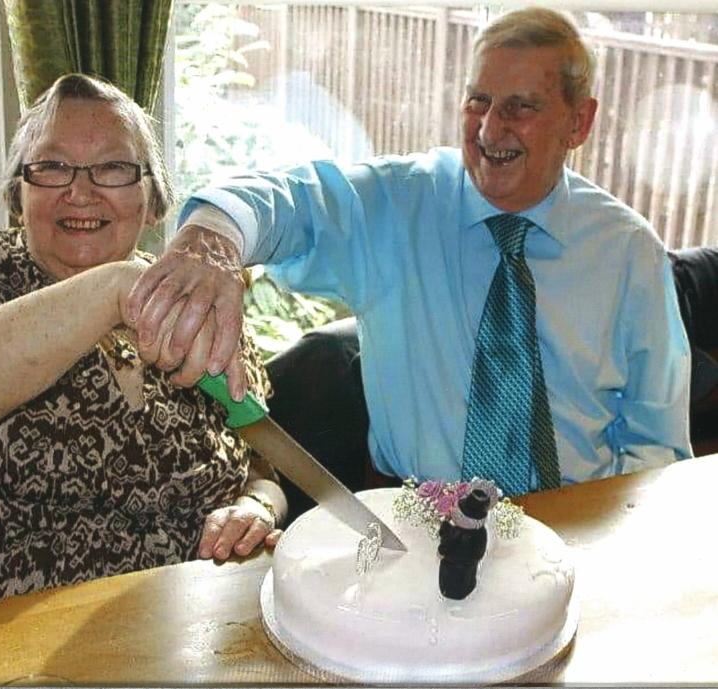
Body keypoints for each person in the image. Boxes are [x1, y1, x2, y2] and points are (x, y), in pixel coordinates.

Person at [125, 7, 692, 516]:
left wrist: (617, 546)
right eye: (480, 101)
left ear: (579, 122)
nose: (491, 129)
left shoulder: (628, 252)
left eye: (522, 107)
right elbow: (289, 199)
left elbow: (657, 442)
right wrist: (214, 238)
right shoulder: (397, 204)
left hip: (576, 525)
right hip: (415, 527)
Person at [0, 73, 286, 619]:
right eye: (51, 166)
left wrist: (255, 508)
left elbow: (261, 462)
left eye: (114, 168)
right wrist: (116, 287)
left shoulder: (194, 296)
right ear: (18, 197)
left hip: (183, 630)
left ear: (153, 203)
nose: (80, 191)